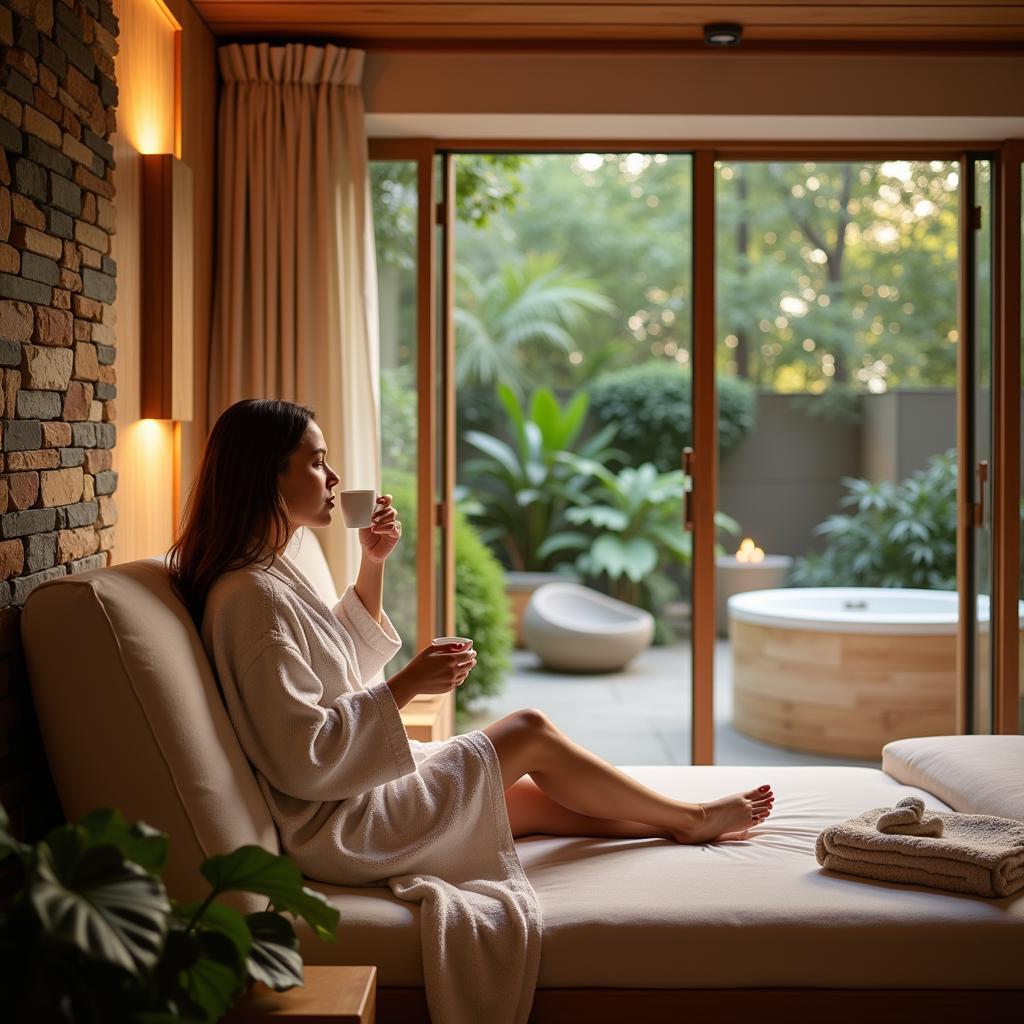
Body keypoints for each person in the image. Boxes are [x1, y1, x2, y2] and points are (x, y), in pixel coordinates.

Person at [168, 397, 774, 875]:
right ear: (267, 475)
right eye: (316, 461)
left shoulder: (263, 575)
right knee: (529, 729)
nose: (333, 476)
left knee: (529, 801)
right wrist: (406, 686)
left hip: (347, 802)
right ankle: (691, 817)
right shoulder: (250, 598)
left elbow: (332, 665)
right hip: (342, 827)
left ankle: (672, 824)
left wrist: (372, 563)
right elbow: (303, 757)